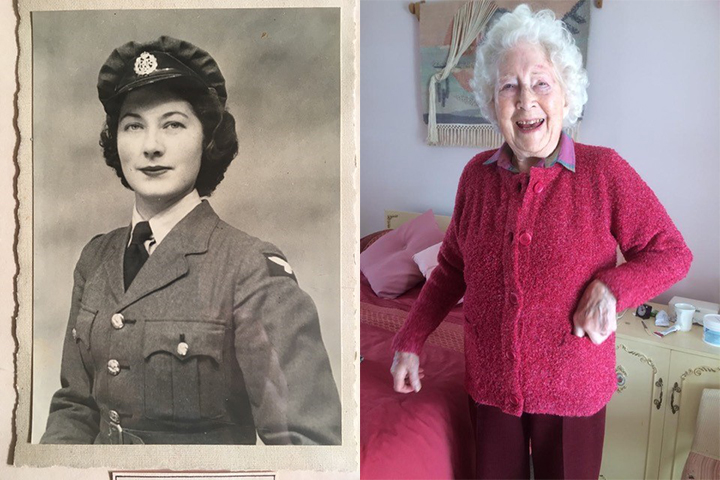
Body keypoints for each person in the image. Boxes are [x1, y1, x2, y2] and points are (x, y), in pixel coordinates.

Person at [390, 5, 692, 479]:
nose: (526, 99)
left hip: (573, 391)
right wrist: (410, 340)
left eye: (541, 83)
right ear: (492, 102)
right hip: (491, 386)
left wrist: (611, 287)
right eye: (509, 85)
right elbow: (450, 268)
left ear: (566, 95)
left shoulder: (604, 171)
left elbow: (671, 253)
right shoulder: (476, 178)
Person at [40, 36, 341, 445]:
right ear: (116, 141)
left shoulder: (249, 267)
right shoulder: (95, 257)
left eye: (173, 124)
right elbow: (74, 408)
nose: (151, 146)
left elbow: (307, 446)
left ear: (207, 139)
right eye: (133, 125)